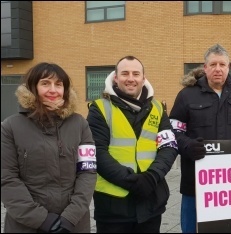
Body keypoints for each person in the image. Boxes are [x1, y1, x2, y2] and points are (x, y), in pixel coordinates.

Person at [169, 44, 231, 233]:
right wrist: (188, 146)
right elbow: (173, 132)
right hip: (195, 183)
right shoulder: (186, 95)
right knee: (191, 229)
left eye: (222, 64)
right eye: (213, 64)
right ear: (205, 68)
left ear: (229, 67)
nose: (218, 69)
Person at [1, 62, 97, 233]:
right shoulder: (10, 127)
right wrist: (41, 219)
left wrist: (71, 216)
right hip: (26, 225)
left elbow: (87, 172)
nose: (53, 90)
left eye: (58, 84)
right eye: (45, 83)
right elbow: (7, 178)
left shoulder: (80, 124)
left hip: (73, 224)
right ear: (33, 87)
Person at [86, 55, 178, 233]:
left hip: (151, 202)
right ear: (115, 78)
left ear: (143, 79)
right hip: (113, 206)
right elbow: (97, 151)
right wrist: (132, 181)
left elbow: (169, 147)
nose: (130, 78)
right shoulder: (99, 108)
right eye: (125, 73)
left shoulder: (158, 108)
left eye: (136, 74)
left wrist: (151, 176)